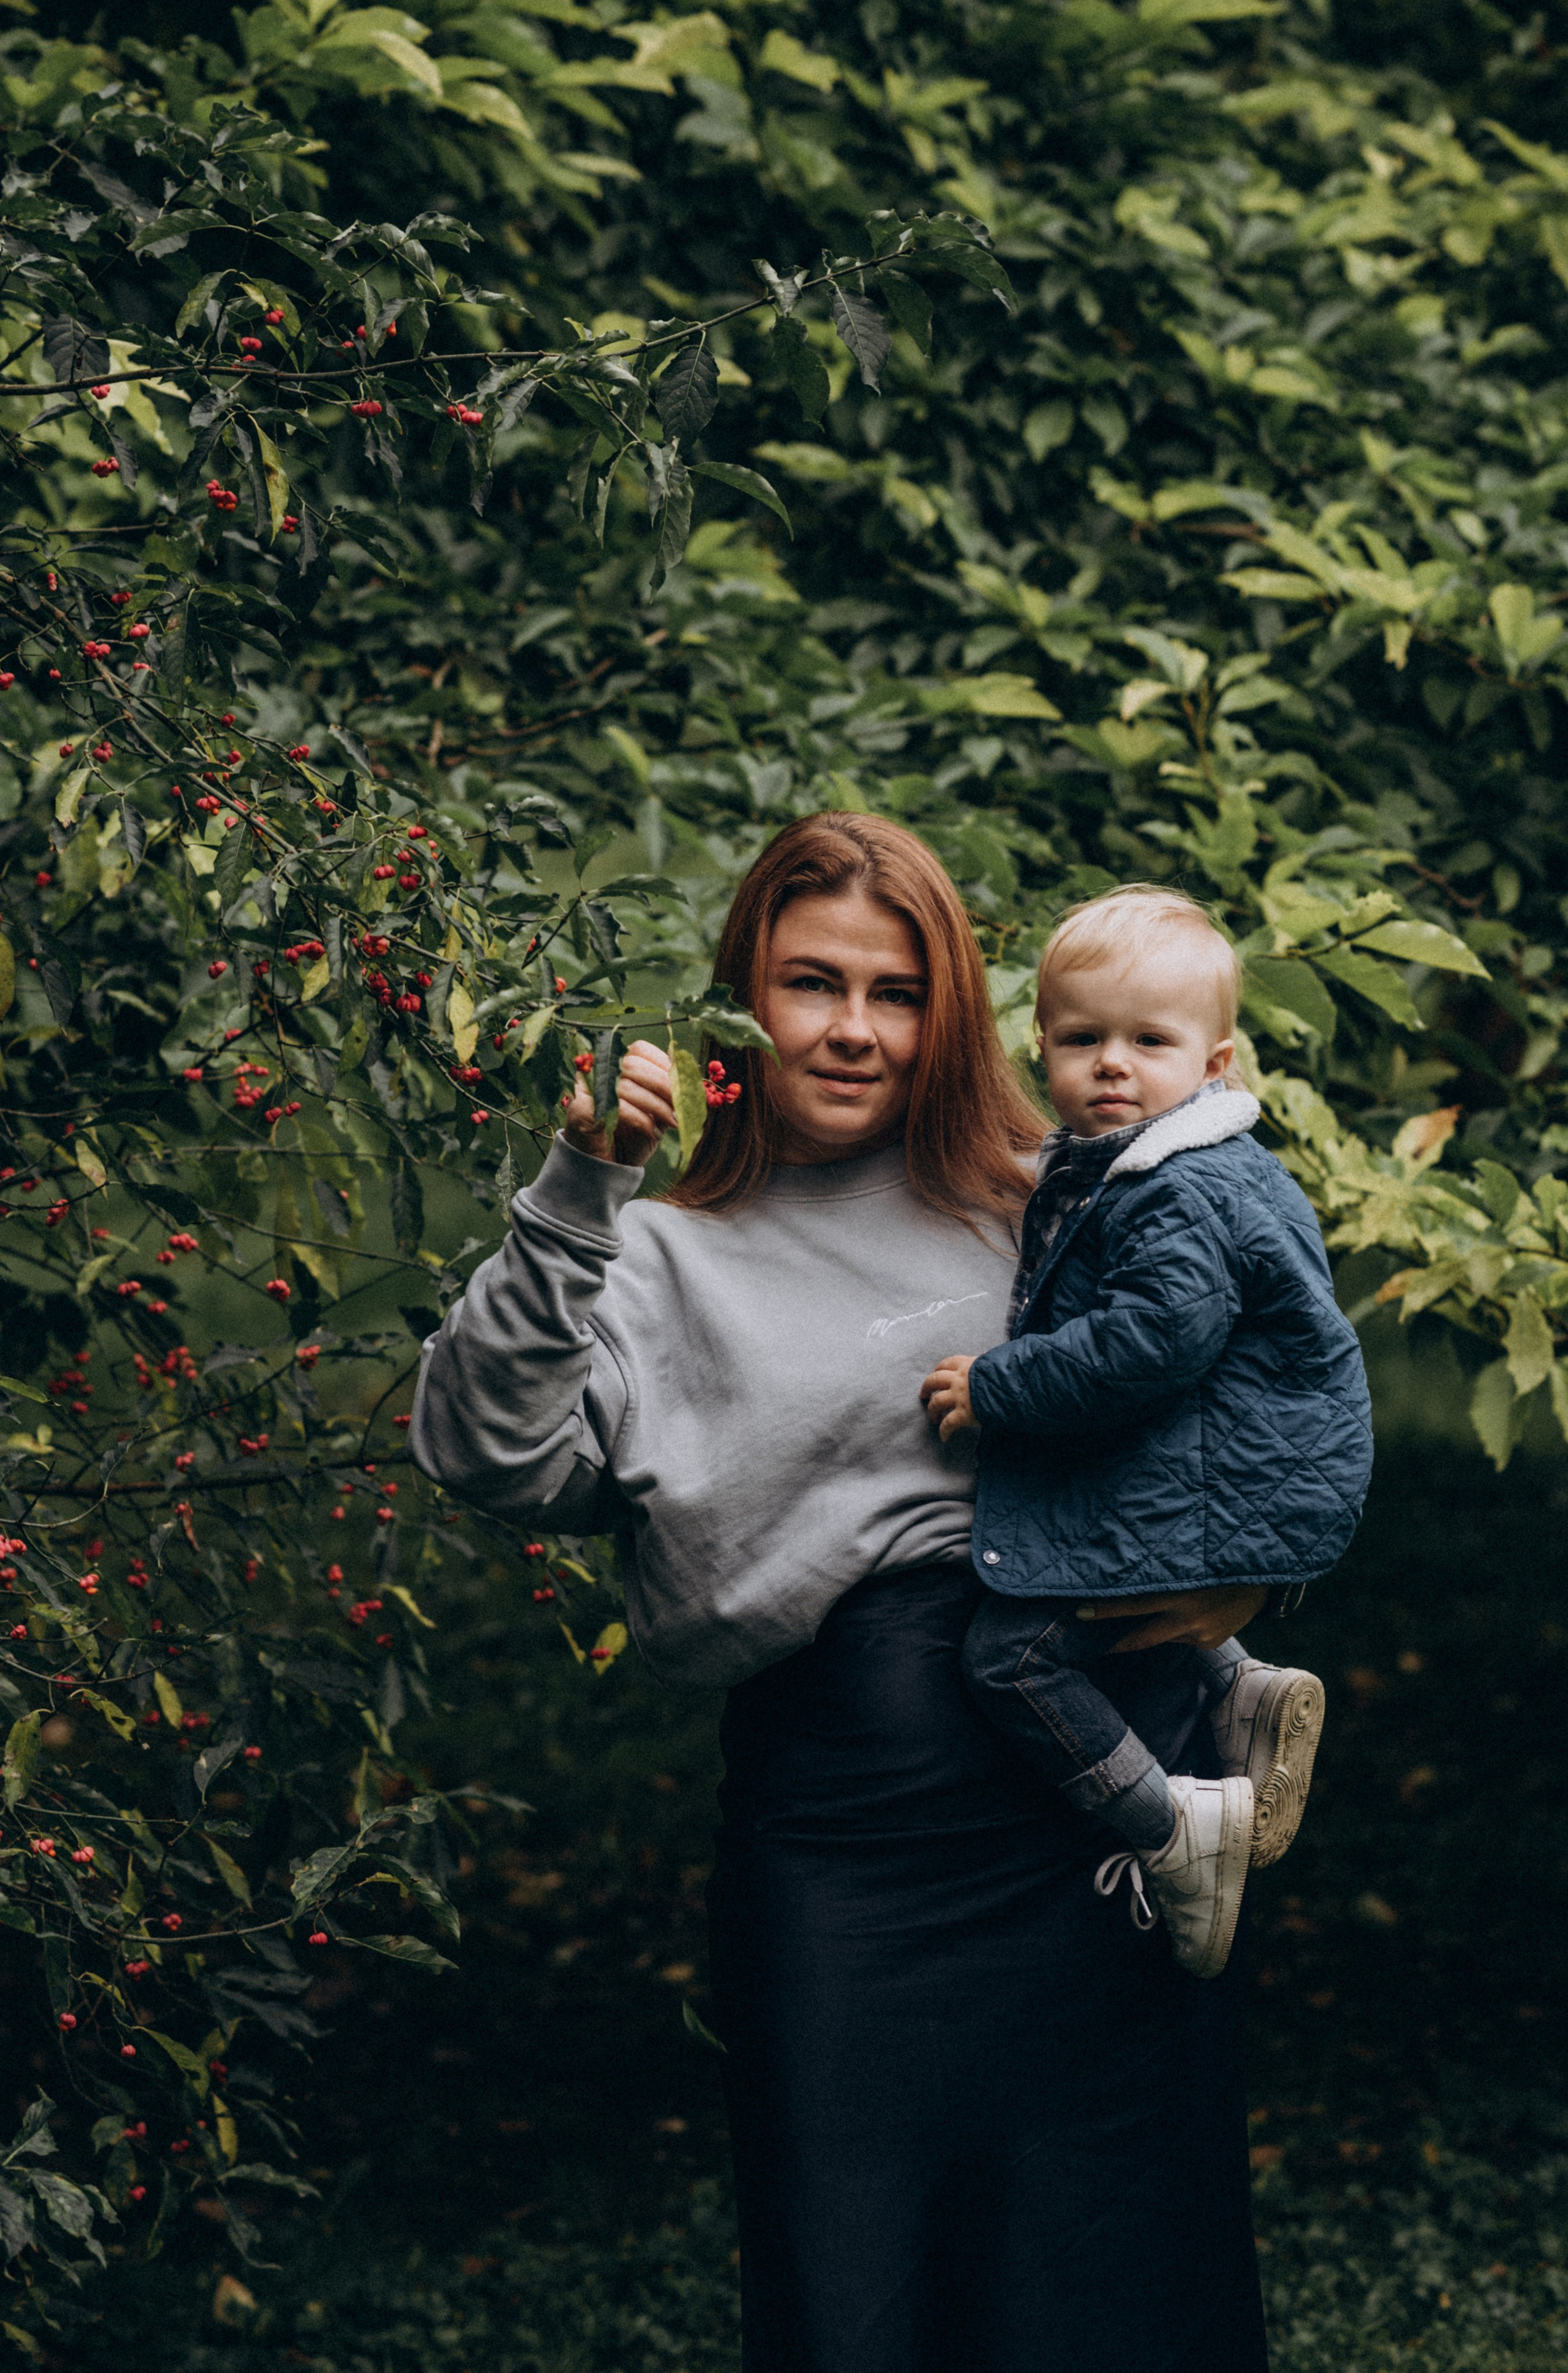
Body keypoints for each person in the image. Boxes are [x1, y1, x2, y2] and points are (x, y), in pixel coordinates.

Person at [411, 816, 1276, 2373]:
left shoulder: (1058, 1197)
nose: (854, 1030)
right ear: (742, 998)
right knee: (853, 2287)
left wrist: (1243, 1567)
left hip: (1104, 1808)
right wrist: (579, 1182)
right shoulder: (657, 1257)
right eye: (812, 983)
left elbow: (1260, 1375)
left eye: (897, 992)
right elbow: (487, 1452)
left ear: (949, 1014)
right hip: (846, 1848)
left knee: (1110, 2284)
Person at [921, 886, 1372, 1980]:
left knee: (1011, 1657)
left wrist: (1001, 1387)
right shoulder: (1148, 1165)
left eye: (1148, 1042)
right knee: (1118, 1571)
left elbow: (1152, 1341)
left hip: (1228, 1467)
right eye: (1083, 1039)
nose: (1112, 1065)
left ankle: (1174, 1830)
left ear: (1216, 1064)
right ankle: (1236, 1685)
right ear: (1041, 1045)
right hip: (1229, 1463)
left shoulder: (1179, 1188)